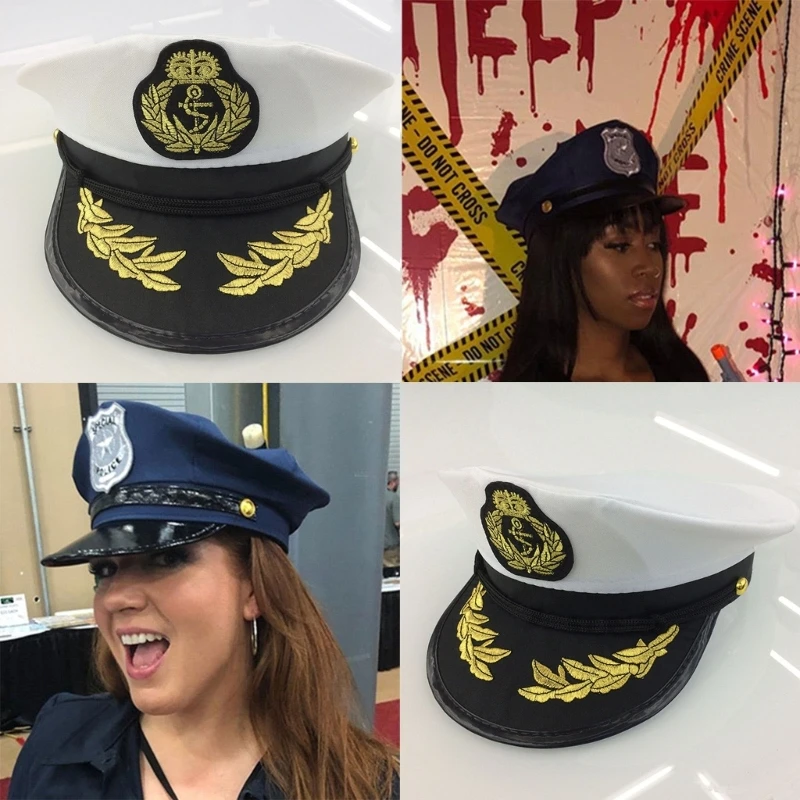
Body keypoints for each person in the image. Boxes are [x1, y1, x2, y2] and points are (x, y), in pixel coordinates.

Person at [9, 401, 398, 800]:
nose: (115, 598)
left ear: (254, 588)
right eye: (104, 570)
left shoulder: (361, 786)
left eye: (165, 559)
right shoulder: (56, 746)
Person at [496, 119, 709, 382]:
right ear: (560, 260)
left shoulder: (681, 375)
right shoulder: (528, 400)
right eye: (620, 246)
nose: (650, 267)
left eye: (654, 245)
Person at [384, 472, 400, 574]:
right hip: (391, 546)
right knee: (392, 576)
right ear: (393, 482)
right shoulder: (394, 498)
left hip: (375, 545)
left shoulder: (374, 497)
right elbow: (398, 522)